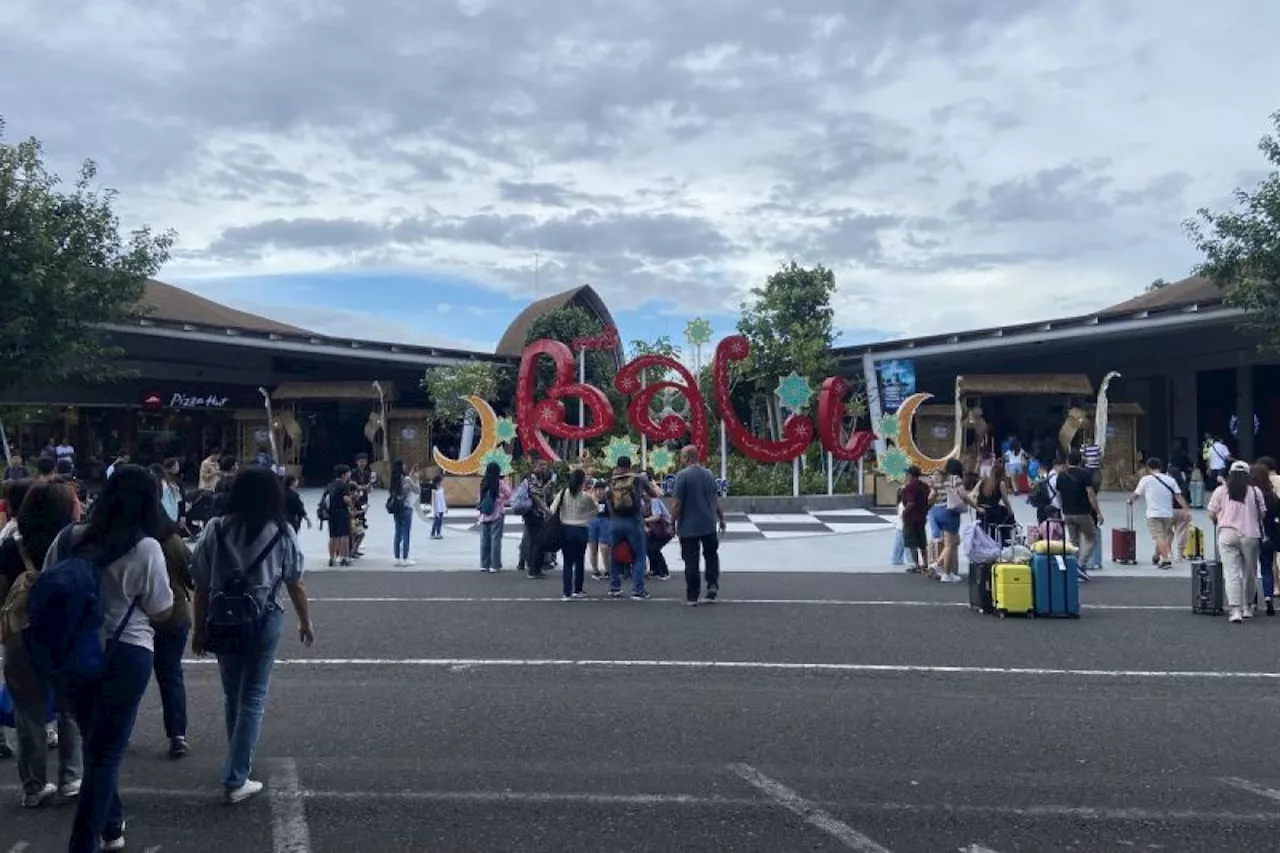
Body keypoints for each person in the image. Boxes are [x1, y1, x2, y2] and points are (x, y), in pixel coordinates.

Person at [44, 465, 173, 853]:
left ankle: (112, 825)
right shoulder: (146, 546)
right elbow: (161, 609)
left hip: (70, 652)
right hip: (125, 653)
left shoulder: (69, 538)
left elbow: (49, 582)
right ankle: (83, 842)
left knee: (95, 743)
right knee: (107, 752)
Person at [191, 466, 314, 803]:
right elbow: (294, 580)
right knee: (254, 696)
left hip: (223, 618)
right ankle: (236, 775)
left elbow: (200, 584)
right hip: (264, 618)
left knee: (234, 695)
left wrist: (198, 628)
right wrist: (305, 621)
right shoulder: (281, 530)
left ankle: (237, 762)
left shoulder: (216, 529)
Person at [2, 480, 83, 807]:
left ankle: (33, 786)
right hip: (65, 634)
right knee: (70, 709)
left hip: (22, 636)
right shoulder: (75, 543)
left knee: (29, 713)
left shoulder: (11, 547)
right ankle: (70, 777)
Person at [151, 515, 194, 759]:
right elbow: (193, 575)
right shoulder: (172, 542)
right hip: (172, 612)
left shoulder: (122, 538)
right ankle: (177, 735)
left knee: (122, 678)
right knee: (171, 676)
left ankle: (116, 732)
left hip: (134, 617)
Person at [1207, 461, 1267, 623]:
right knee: (1250, 573)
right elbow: (1262, 514)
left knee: (1231, 573)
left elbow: (1212, 513)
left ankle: (1235, 610)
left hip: (1227, 534)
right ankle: (1248, 606)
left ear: (1230, 474)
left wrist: (1219, 519)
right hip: (1250, 535)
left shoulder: (1221, 491)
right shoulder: (1255, 491)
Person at [670, 446, 725, 606]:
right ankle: (712, 585)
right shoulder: (708, 474)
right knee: (711, 556)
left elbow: (677, 503)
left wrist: (671, 522)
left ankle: (692, 595)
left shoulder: (682, 476)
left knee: (691, 560)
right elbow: (715, 499)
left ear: (687, 458)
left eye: (681, 456)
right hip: (708, 523)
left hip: (689, 526)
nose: (680, 459)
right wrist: (721, 518)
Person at [607, 456, 659, 600]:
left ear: (617, 466)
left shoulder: (612, 481)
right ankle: (638, 589)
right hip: (633, 520)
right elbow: (654, 494)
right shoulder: (637, 479)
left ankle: (614, 587)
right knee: (639, 555)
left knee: (614, 554)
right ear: (630, 466)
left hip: (615, 521)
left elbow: (607, 499)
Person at [1128, 457, 1190, 570]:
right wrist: (1186, 509)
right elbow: (1178, 496)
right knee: (1164, 536)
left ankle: (1165, 560)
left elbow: (1136, 494)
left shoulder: (1145, 479)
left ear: (1148, 467)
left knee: (1159, 536)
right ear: (1161, 467)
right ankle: (1156, 556)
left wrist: (1130, 500)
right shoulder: (1170, 480)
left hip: (1153, 513)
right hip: (1167, 513)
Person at [551, 469, 597, 600]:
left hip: (566, 528)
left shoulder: (562, 494)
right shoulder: (586, 497)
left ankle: (567, 592)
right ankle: (578, 589)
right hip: (581, 529)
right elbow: (595, 510)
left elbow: (552, 509)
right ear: (582, 482)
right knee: (579, 560)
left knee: (567, 561)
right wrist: (586, 518)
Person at [1057, 451, 1104, 576]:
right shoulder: (1085, 475)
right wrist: (1098, 512)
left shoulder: (1061, 476)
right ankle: (1081, 564)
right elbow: (1091, 495)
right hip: (1082, 513)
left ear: (1067, 461)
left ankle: (1073, 566)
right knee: (1092, 538)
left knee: (1074, 542)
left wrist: (1063, 509)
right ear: (1081, 461)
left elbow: (1059, 496)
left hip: (1067, 513)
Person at [928, 458, 975, 583]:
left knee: (953, 541)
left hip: (936, 511)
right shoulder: (955, 479)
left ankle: (944, 569)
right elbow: (963, 495)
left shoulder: (937, 479)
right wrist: (975, 506)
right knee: (949, 545)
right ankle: (943, 570)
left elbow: (932, 496)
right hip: (949, 512)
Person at [1250, 462, 1280, 616]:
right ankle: (1268, 598)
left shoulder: (1249, 496)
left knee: (1251, 569)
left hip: (1251, 534)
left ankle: (1253, 601)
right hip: (1269, 535)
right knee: (1266, 568)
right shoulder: (1272, 496)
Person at [476, 462, 512, 572]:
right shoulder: (499, 483)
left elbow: (479, 498)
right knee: (495, 540)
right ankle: (494, 565)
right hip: (497, 513)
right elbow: (509, 493)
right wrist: (502, 499)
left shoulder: (484, 482)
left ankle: (484, 564)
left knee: (484, 540)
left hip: (485, 514)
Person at [899, 466, 931, 573]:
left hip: (911, 518)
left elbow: (910, 503)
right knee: (922, 542)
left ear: (910, 475)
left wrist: (904, 513)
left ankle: (917, 565)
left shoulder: (909, 488)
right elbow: (929, 500)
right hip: (921, 517)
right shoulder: (925, 487)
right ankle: (926, 564)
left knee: (912, 543)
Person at [975, 459, 1015, 544]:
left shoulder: (985, 482)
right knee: (1009, 516)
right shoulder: (1001, 484)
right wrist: (1010, 510)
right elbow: (1005, 500)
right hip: (993, 512)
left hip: (981, 511)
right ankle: (1005, 538)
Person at [389, 461, 420, 566]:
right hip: (406, 508)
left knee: (397, 532)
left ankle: (397, 558)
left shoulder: (394, 479)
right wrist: (416, 479)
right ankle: (405, 557)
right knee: (406, 533)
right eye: (404, 465)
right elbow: (417, 490)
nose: (405, 466)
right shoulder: (406, 479)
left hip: (397, 508)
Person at [326, 465, 354, 567]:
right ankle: (344, 557)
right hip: (342, 513)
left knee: (333, 536)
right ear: (343, 474)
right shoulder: (343, 485)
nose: (349, 475)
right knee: (344, 536)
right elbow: (346, 499)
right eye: (348, 473)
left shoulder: (330, 485)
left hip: (331, 513)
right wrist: (352, 507)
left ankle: (332, 558)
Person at [644, 489, 673, 580]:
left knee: (654, 549)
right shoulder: (643, 502)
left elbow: (657, 516)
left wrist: (644, 521)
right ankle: (654, 570)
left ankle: (664, 571)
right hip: (654, 530)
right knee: (648, 548)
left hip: (664, 529)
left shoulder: (654, 501)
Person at [587, 479, 611, 581]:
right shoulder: (590, 498)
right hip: (592, 522)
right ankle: (595, 570)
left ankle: (607, 570)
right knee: (592, 547)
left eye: (602, 489)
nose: (599, 492)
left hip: (605, 521)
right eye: (597, 489)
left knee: (604, 547)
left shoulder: (609, 499)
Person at [429, 474, 447, 539]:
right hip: (437, 508)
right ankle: (433, 533)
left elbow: (443, 499)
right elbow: (434, 500)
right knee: (436, 521)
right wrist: (435, 510)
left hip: (441, 507)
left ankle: (438, 533)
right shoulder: (434, 490)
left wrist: (445, 507)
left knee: (440, 522)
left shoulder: (441, 489)